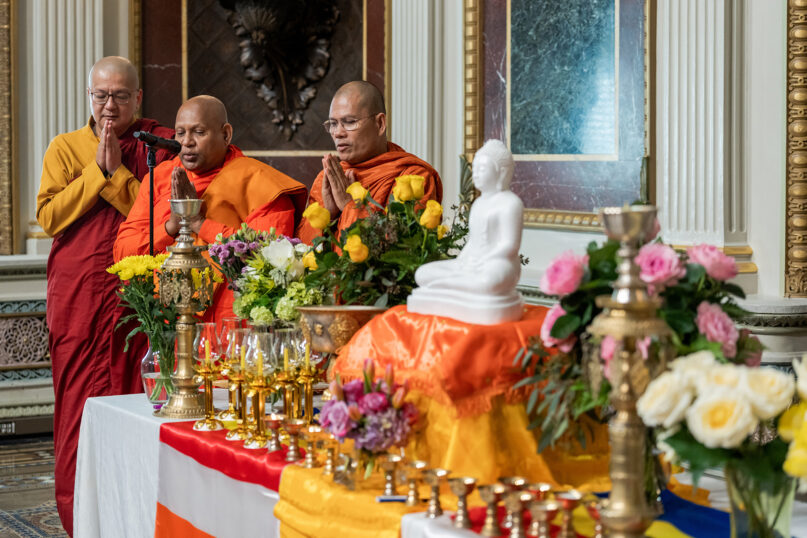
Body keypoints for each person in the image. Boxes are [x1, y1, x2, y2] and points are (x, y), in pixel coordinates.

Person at [36, 56, 176, 536]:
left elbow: (157, 215)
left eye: (120, 95)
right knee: (76, 405)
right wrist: (98, 173)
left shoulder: (156, 148)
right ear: (89, 98)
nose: (109, 105)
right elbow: (50, 218)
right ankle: (79, 521)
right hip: (77, 295)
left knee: (134, 400)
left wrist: (116, 174)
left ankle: (133, 516)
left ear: (138, 98)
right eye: (101, 95)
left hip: (133, 297)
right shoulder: (65, 147)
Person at [114, 95, 308, 322]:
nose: (187, 142)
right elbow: (122, 253)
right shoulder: (160, 178)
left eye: (199, 132)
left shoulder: (260, 182)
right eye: (180, 133)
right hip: (167, 326)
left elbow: (271, 259)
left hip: (233, 324)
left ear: (226, 134)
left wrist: (199, 223)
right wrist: (171, 226)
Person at [297, 81, 442, 243]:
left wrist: (348, 206)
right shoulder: (330, 179)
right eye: (333, 124)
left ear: (380, 124)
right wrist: (327, 215)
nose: (337, 133)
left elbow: (407, 249)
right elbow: (301, 252)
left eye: (350, 122)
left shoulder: (413, 177)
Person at [407, 139, 524, 325]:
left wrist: (483, 261)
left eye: (482, 169)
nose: (475, 174)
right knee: (422, 273)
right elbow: (473, 242)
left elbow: (509, 246)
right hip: (470, 265)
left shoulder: (510, 203)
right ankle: (454, 283)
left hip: (498, 264)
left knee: (487, 283)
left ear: (501, 172)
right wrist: (463, 262)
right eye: (474, 168)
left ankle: (446, 285)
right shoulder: (478, 204)